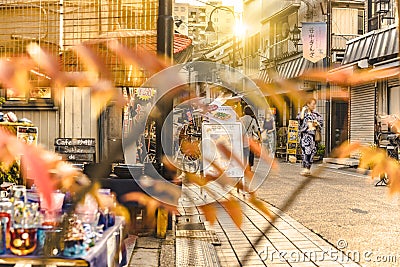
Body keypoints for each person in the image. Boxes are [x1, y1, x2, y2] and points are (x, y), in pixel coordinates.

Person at [296, 98, 323, 176]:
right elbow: (300, 120)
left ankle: (307, 168)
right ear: (308, 104)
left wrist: (317, 123)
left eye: (315, 104)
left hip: (314, 136)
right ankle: (306, 168)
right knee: (306, 152)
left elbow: (321, 123)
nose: (314, 106)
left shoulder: (316, 114)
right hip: (305, 135)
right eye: (313, 104)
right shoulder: (303, 113)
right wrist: (303, 111)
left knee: (312, 152)